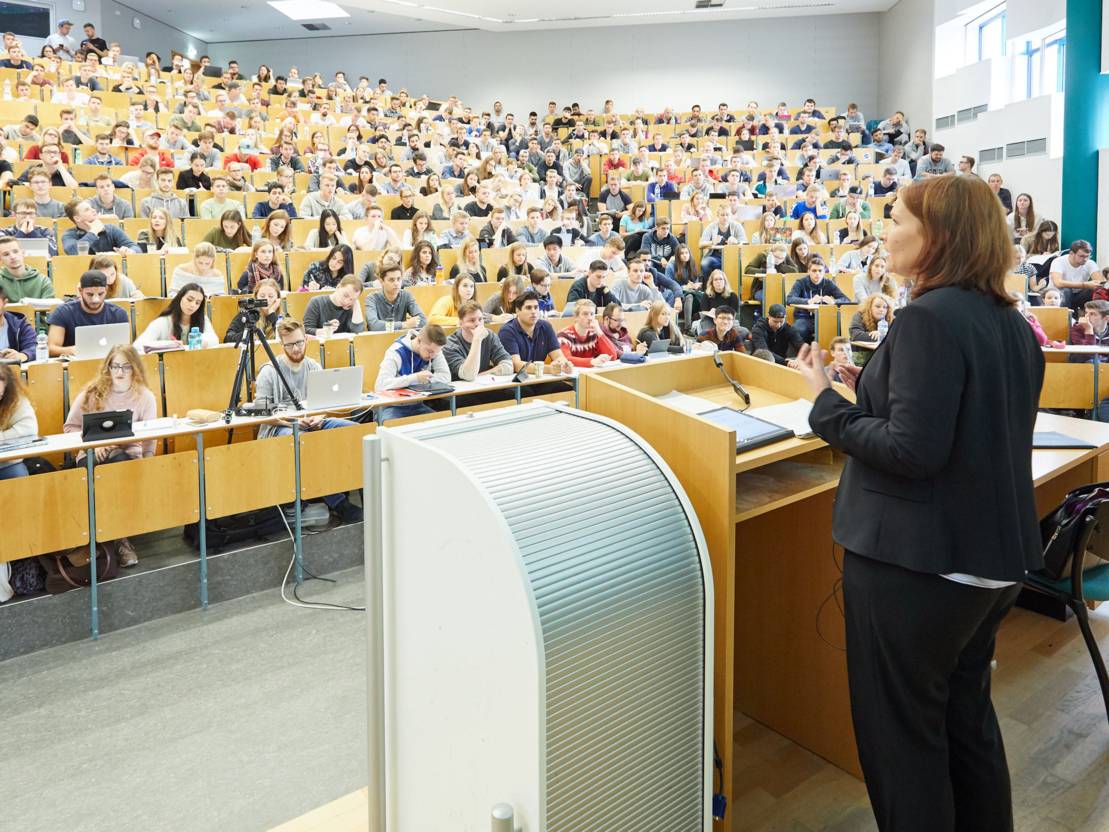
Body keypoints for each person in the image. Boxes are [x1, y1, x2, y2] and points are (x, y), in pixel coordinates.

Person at [792, 174, 1044, 832]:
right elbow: (961, 424)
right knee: (966, 725)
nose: (885, 230)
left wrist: (824, 399)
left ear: (937, 237)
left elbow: (912, 450)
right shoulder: (1009, 322)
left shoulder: (926, 318)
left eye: (897, 219)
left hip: (920, 567)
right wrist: (868, 385)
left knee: (903, 744)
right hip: (987, 565)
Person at [255, 320, 363, 523]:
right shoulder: (269, 371)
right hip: (281, 427)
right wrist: (292, 421)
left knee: (354, 431)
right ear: (282, 346)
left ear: (306, 339)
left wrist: (319, 416)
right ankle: (339, 503)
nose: (296, 349)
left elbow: (323, 403)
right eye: (290, 345)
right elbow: (263, 411)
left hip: (313, 422)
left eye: (299, 343)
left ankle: (358, 490)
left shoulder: (313, 366)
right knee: (305, 443)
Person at [63, 345, 158, 566]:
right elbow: (70, 427)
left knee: (118, 461)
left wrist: (148, 461)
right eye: (115, 366)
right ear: (108, 367)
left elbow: (151, 436)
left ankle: (112, 539)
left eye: (126, 366)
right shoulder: (92, 392)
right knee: (108, 466)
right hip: (91, 454)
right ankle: (116, 540)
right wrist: (92, 445)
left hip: (128, 456)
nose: (120, 372)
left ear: (135, 369)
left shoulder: (145, 397)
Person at [373, 324, 452, 423]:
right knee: (392, 426)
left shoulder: (434, 350)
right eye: (430, 351)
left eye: (436, 352)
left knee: (442, 424)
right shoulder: (396, 351)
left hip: (417, 405)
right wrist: (415, 378)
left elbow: (446, 376)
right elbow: (380, 385)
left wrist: (425, 379)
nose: (433, 356)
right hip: (390, 406)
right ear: (419, 341)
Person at [499, 291, 575, 374]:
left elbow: (558, 356)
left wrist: (564, 364)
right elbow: (517, 365)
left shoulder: (546, 327)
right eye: (528, 308)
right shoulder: (507, 332)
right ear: (517, 311)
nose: (533, 311)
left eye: (536, 307)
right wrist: (549, 369)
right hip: (517, 382)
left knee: (566, 387)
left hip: (540, 378)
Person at [133, 283, 219, 352]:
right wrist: (169, 345)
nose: (193, 305)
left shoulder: (203, 319)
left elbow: (214, 339)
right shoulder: (163, 321)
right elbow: (138, 345)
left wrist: (203, 342)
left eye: (197, 303)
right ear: (180, 298)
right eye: (189, 300)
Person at [442, 301, 514, 382]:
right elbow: (469, 375)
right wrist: (477, 339)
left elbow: (509, 365)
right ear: (461, 323)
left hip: (484, 386)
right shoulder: (449, 345)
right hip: (462, 391)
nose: (478, 324)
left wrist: (486, 373)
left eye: (480, 319)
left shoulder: (489, 336)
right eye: (472, 320)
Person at [786, 257, 850, 342]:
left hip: (825, 318)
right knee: (797, 330)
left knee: (840, 328)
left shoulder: (828, 283)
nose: (817, 274)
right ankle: (803, 353)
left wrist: (834, 301)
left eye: (820, 271)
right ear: (808, 271)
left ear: (824, 272)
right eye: (814, 271)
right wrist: (808, 301)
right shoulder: (800, 282)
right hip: (804, 318)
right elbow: (789, 299)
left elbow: (846, 300)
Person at [0, 364, 37, 481]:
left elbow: (29, 429)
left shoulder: (15, 400)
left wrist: (2, 437)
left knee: (18, 476)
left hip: (7, 463)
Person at [558, 299, 620, 367]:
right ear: (576, 317)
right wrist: (592, 361)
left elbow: (613, 356)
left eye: (592, 314)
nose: (590, 318)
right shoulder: (563, 336)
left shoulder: (594, 334)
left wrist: (599, 332)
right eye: (585, 314)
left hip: (590, 374)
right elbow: (566, 359)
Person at [365, 264, 426, 331]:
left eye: (399, 279)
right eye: (391, 280)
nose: (396, 283)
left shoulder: (407, 296)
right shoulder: (371, 298)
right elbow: (374, 325)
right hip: (378, 339)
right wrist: (405, 324)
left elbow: (423, 320)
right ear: (381, 281)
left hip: (401, 339)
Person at [225, 279, 283, 343]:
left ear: (278, 299)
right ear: (256, 297)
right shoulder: (248, 314)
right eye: (262, 296)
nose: (266, 299)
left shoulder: (282, 317)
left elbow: (285, 336)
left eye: (271, 296)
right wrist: (246, 335)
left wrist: (272, 314)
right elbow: (228, 338)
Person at [1049, 240, 1100, 309]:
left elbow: (1099, 282)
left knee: (1096, 290)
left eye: (1087, 256)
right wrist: (1085, 284)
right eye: (1081, 256)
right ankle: (1066, 316)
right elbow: (1058, 283)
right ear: (1071, 253)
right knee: (1066, 289)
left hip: (1078, 295)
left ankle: (1094, 316)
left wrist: (1096, 285)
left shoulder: (1090, 263)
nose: (1085, 259)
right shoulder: (1058, 261)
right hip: (1058, 294)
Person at [0, 236, 54, 301]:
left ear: (23, 253)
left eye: (15, 251)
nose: (13, 257)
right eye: (6, 254)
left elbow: (50, 307)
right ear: (0, 259)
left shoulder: (43, 281)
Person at [0, 288, 36, 362]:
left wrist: (22, 355)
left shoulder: (19, 325)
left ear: (5, 303)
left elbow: (34, 347)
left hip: (12, 372)